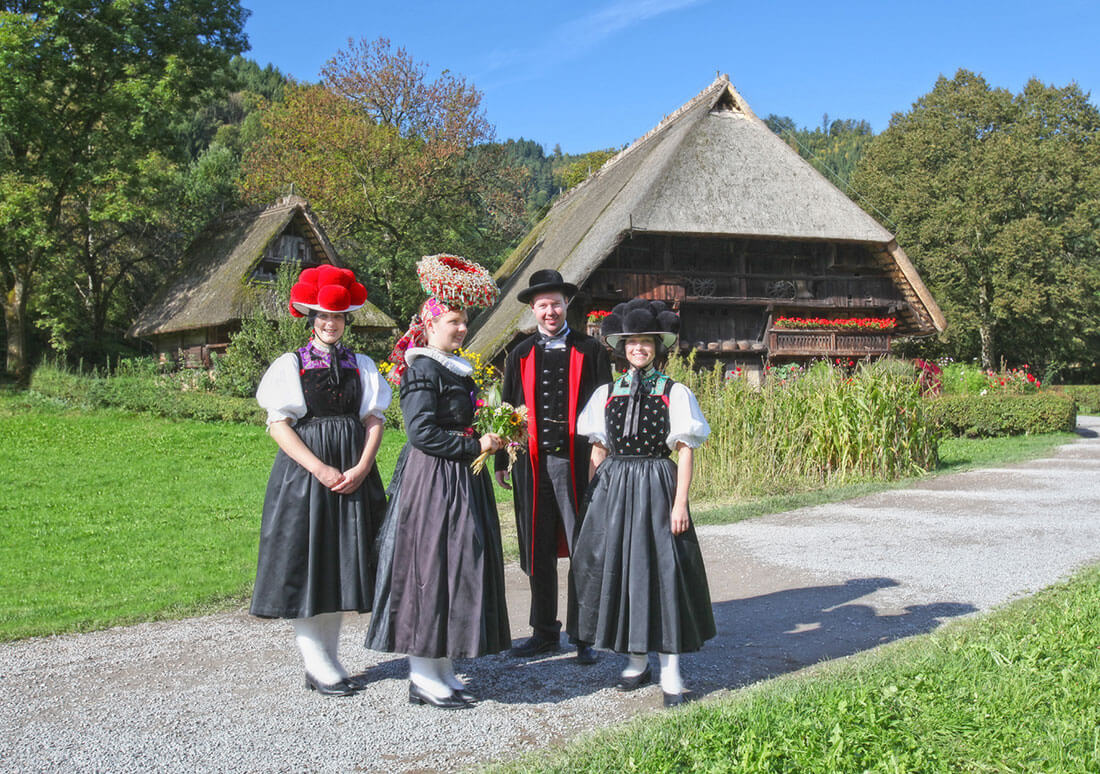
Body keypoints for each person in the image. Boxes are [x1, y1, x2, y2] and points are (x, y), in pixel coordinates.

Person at [366, 254, 510, 710]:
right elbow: (420, 433)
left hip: (461, 480)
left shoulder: (453, 367)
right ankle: (423, 675)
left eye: (464, 321)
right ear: (430, 325)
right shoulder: (423, 368)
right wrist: (475, 445)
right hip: (433, 481)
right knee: (431, 570)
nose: (462, 328)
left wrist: (494, 439)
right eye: (453, 321)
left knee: (458, 566)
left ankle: (443, 667)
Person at [251, 265, 391, 697]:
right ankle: (317, 662)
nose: (331, 324)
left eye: (338, 318)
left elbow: (374, 417)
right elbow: (278, 425)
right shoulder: (290, 364)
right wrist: (319, 468)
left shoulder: (362, 364)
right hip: (307, 477)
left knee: (341, 567)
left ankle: (327, 660)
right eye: (323, 317)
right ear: (311, 319)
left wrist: (364, 465)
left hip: (354, 471)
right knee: (311, 563)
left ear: (347, 321)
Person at [568, 298, 716, 707]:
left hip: (656, 483)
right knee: (622, 569)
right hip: (614, 486)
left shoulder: (675, 392)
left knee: (662, 571)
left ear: (657, 347)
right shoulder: (606, 393)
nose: (638, 349)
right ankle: (636, 660)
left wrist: (680, 503)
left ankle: (670, 670)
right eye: (632, 343)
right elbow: (597, 449)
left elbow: (685, 449)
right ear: (622, 347)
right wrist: (594, 494)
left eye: (646, 343)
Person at [495, 269, 612, 664]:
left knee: (583, 546)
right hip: (531, 465)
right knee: (537, 548)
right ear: (532, 309)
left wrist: (604, 459)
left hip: (577, 464)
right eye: (543, 305)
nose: (550, 311)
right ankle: (544, 631)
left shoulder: (591, 351)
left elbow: (605, 411)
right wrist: (500, 461)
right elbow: (508, 410)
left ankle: (584, 635)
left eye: (556, 304)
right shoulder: (520, 354)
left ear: (567, 306)